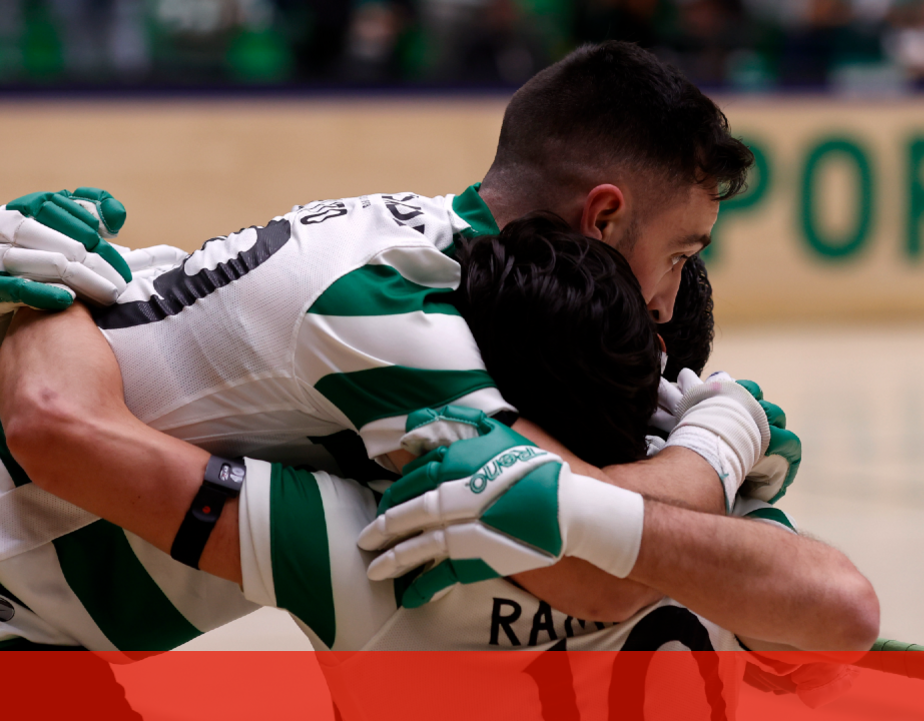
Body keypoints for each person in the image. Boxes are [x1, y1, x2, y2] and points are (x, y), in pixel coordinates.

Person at [0, 41, 875, 652]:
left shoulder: (440, 264)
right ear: (604, 216)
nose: (669, 302)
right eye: (679, 256)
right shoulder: (392, 309)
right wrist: (721, 441)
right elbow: (586, 558)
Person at [3, 214, 854, 718]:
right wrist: (713, 449)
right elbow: (841, 618)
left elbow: (67, 427)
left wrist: (51, 284)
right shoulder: (716, 547)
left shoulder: (384, 544)